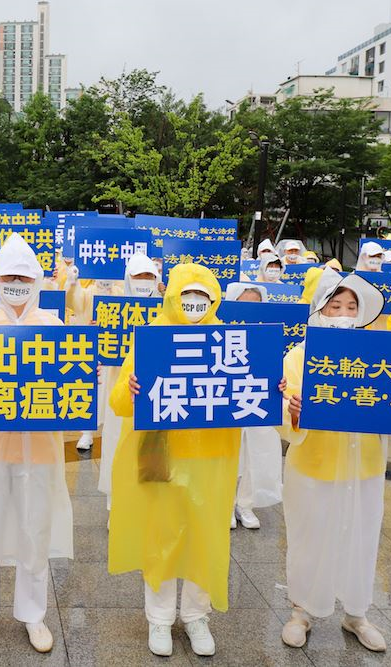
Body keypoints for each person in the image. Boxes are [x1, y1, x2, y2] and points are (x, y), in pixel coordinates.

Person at [109, 264, 256, 658]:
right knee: (162, 535)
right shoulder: (151, 337)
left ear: (214, 300)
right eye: (186, 295)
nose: (194, 303)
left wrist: (269, 387)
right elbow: (119, 402)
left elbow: (250, 395)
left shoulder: (231, 341)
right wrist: (132, 386)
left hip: (211, 456)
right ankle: (159, 620)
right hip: (160, 453)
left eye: (203, 296)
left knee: (205, 534)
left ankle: (196, 616)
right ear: (172, 296)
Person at [0, 233, 72, 655]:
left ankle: (33, 614)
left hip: (38, 449)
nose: (16, 284)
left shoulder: (54, 328)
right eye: (9, 276)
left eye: (24, 276)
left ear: (37, 281)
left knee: (34, 527)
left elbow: (69, 391)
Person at [280, 267, 388, 652]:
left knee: (361, 537)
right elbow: (282, 410)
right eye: (334, 305)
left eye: (350, 306)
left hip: (365, 465)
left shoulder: (379, 354)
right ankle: (301, 611)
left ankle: (356, 612)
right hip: (313, 465)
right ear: (319, 310)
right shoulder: (298, 356)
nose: (343, 312)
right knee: (309, 537)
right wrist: (291, 410)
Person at [96, 254, 160, 509]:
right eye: (138, 276)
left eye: (149, 276)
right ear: (128, 278)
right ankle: (115, 502)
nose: (144, 281)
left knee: (152, 447)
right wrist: (96, 334)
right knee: (115, 443)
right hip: (121, 391)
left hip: (155, 392)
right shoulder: (113, 309)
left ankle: (149, 502)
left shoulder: (166, 309)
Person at [223, 282, 283, 530]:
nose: (250, 311)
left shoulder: (270, 335)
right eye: (243, 305)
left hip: (258, 398)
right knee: (229, 453)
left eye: (255, 306)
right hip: (228, 398)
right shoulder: (220, 332)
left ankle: (244, 503)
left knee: (254, 453)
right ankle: (225, 504)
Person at [65, 264, 126, 451]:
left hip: (115, 353)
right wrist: (72, 283)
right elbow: (72, 301)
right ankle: (87, 433)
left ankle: (111, 432)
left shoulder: (120, 293)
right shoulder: (88, 292)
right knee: (92, 392)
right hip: (93, 352)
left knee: (112, 393)